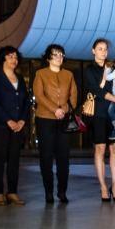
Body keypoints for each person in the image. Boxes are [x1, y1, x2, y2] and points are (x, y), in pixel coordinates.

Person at [32, 43, 77, 204]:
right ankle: (49, 192)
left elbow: (73, 97)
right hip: (45, 119)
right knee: (46, 157)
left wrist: (63, 109)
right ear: (48, 57)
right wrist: (54, 109)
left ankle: (62, 192)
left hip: (63, 119)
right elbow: (39, 96)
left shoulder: (69, 75)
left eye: (61, 55)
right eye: (56, 54)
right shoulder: (40, 74)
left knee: (63, 158)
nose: (59, 57)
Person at [0, 45, 29, 206]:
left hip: (18, 125)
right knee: (0, 157)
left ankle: (12, 192)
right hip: (1, 125)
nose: (14, 59)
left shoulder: (20, 79)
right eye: (10, 56)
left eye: (16, 57)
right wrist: (8, 120)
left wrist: (22, 121)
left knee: (14, 159)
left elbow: (26, 103)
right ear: (3, 59)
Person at [83, 38, 115, 201]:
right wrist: (106, 76)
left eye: (105, 49)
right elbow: (97, 90)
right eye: (99, 48)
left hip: (114, 113)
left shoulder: (114, 67)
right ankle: (103, 187)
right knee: (100, 149)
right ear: (93, 51)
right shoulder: (89, 70)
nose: (103, 52)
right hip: (98, 114)